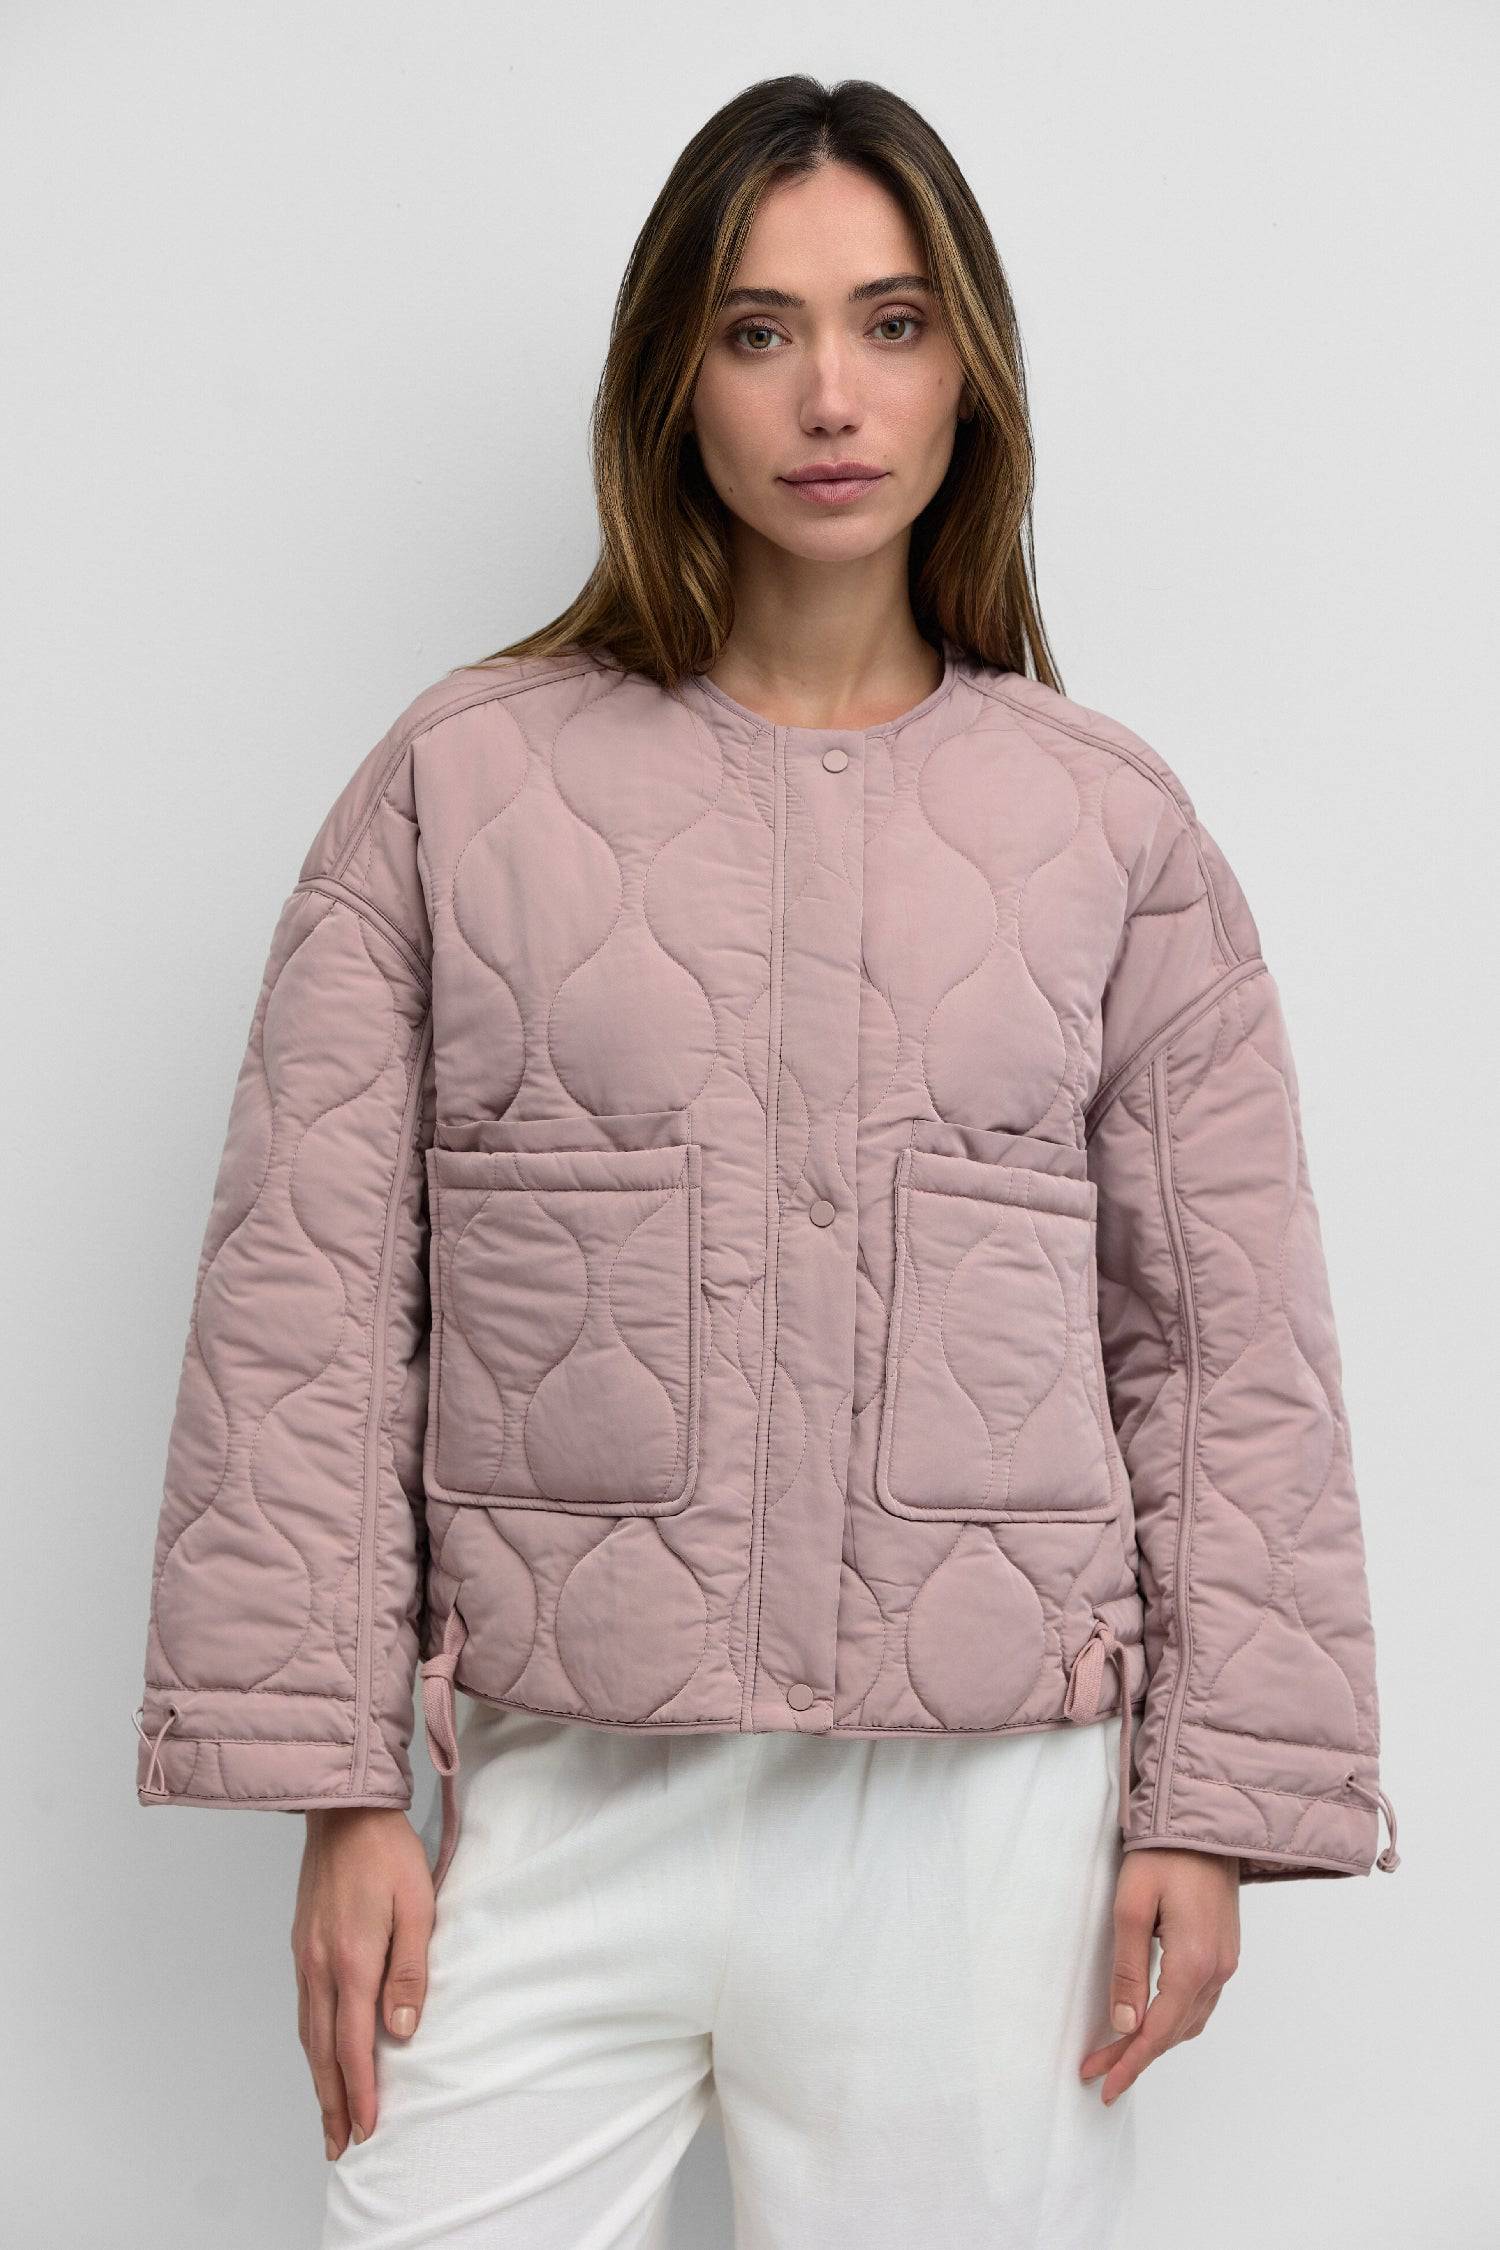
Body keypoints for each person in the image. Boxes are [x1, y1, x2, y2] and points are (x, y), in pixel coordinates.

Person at [131, 73, 1399, 2250]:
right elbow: (310, 1308)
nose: (831, 394)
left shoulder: (1112, 829)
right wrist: (338, 1788)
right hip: (562, 1786)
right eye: (758, 328)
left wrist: (1212, 1803)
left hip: (982, 1835)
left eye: (893, 324)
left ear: (970, 372)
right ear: (674, 377)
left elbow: (1226, 1352)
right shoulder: (457, 786)